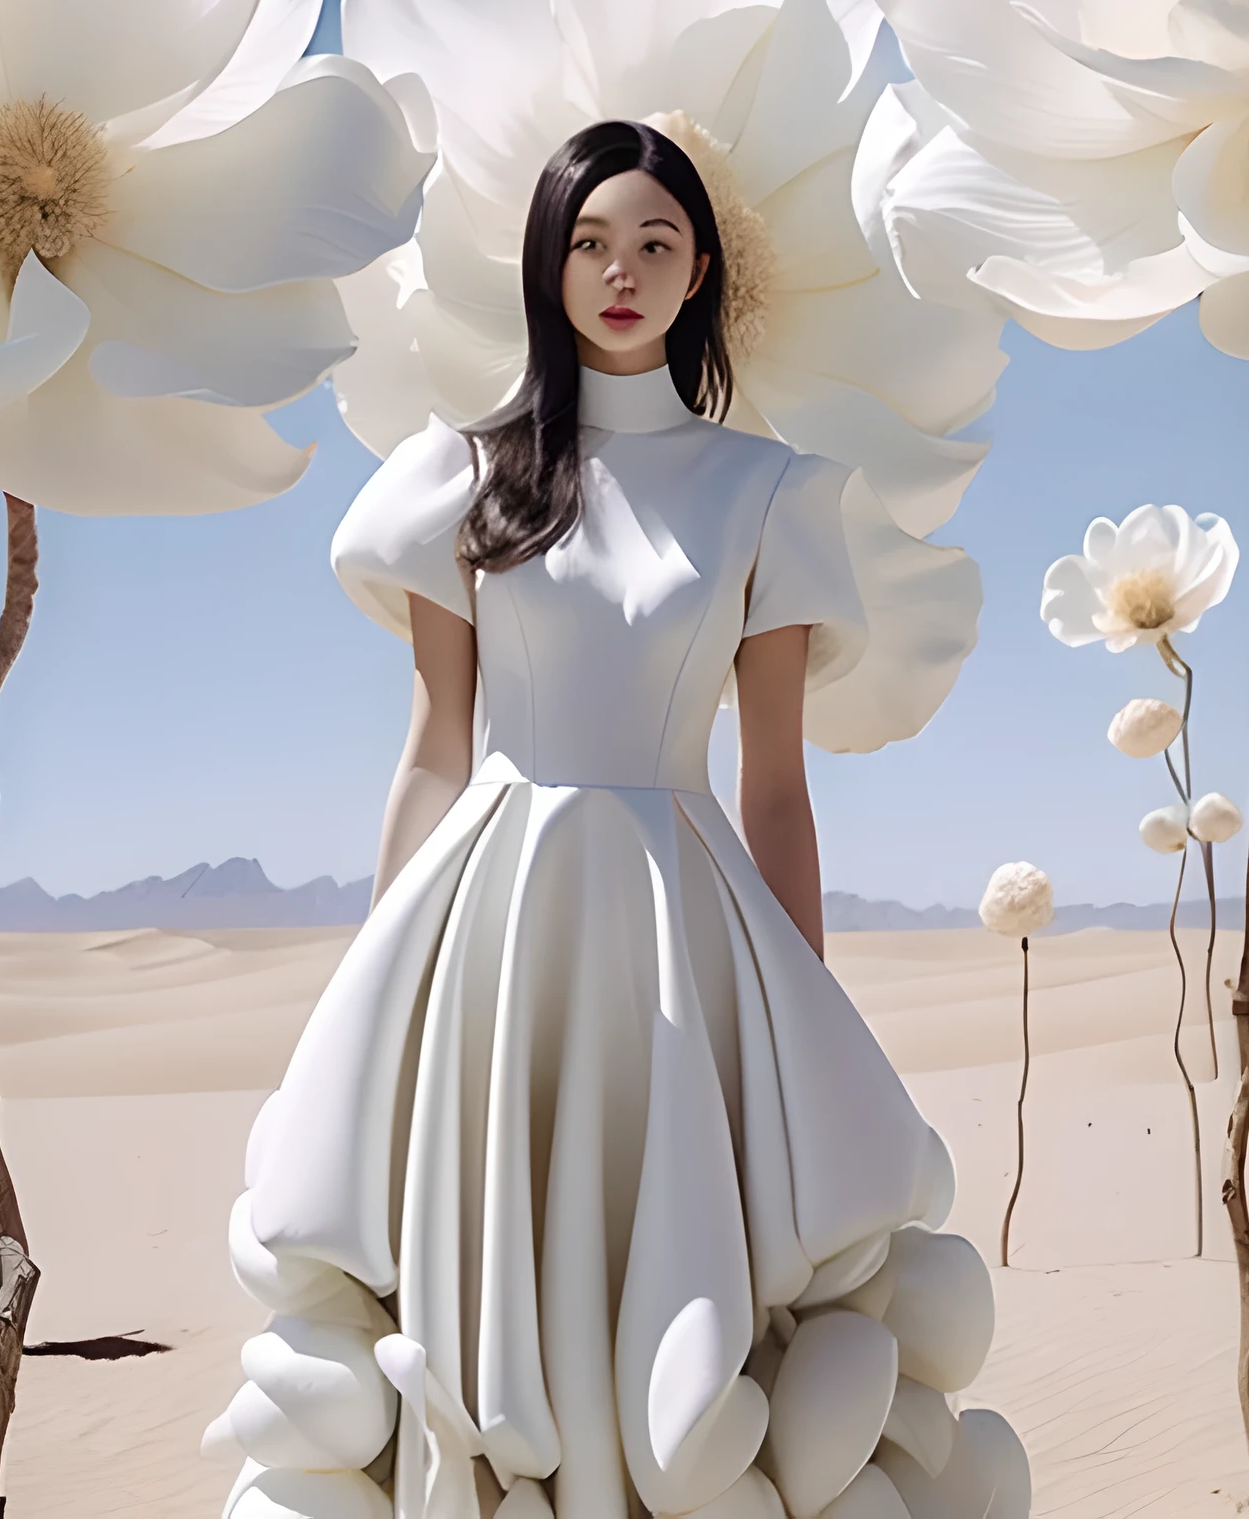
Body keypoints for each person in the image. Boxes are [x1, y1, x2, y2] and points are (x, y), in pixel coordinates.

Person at [208, 122, 1027, 1519]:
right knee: (487, 1293)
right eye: (590, 242)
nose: (622, 270)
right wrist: (380, 979)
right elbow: (434, 746)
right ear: (547, 265)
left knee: (697, 1307)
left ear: (702, 268)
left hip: (681, 927)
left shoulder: (767, 493)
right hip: (494, 921)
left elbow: (776, 783)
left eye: (655, 242)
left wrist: (803, 1016)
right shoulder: (457, 478)